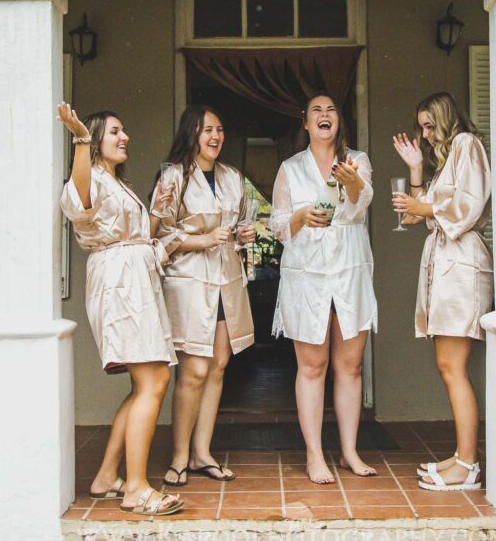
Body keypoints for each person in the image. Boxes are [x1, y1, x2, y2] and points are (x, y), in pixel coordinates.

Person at [57, 102, 183, 516]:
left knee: (145, 382)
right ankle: (137, 489)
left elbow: (136, 236)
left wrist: (158, 209)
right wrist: (80, 139)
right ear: (95, 140)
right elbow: (78, 199)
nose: (124, 136)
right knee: (154, 379)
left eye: (123, 130)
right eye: (114, 131)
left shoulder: (116, 182)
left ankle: (108, 476)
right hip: (119, 285)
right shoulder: (89, 177)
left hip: (135, 280)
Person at [269, 93, 378, 484]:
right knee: (312, 367)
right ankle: (314, 455)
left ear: (338, 121)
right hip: (307, 276)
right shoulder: (290, 168)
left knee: (350, 367)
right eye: (316, 110)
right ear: (305, 122)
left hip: (349, 272)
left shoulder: (357, 160)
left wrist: (353, 183)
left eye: (331, 109)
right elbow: (277, 226)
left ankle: (349, 452)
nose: (324, 114)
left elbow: (362, 203)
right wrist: (300, 216)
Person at [391, 91, 493, 492]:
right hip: (446, 263)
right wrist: (416, 169)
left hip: (461, 264)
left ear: (446, 118)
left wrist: (424, 208)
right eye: (421, 128)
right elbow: (418, 214)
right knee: (448, 366)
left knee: (453, 367)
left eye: (430, 125)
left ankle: (467, 466)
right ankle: (461, 456)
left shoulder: (467, 144)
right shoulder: (447, 158)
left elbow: (466, 206)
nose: (426, 134)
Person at [151, 106, 256, 486]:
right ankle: (179, 456)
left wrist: (243, 235)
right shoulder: (173, 176)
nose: (215, 136)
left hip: (227, 279)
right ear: (191, 133)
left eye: (220, 129)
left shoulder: (232, 177)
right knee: (194, 370)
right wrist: (202, 239)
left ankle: (201, 453)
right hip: (190, 281)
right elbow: (158, 235)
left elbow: (237, 225)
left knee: (218, 365)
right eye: (207, 129)